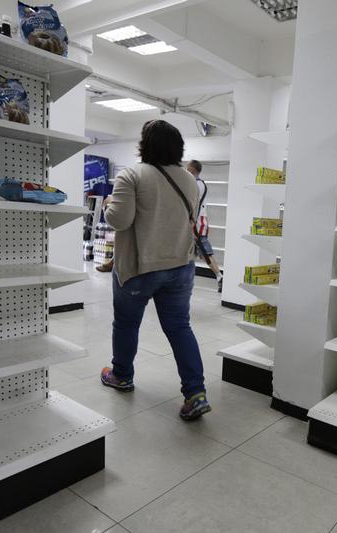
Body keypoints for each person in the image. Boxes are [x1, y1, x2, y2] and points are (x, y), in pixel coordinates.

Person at [100, 120, 211, 421]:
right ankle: (195, 392)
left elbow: (119, 221)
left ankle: (121, 375)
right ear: (178, 148)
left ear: (144, 144)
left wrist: (108, 203)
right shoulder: (190, 180)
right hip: (181, 267)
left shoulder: (131, 174)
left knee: (126, 324)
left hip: (140, 268)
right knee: (179, 327)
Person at [186, 159, 224, 293]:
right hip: (197, 222)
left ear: (192, 170)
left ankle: (219, 276)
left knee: (205, 252)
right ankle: (219, 276)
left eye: (187, 169)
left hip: (197, 223)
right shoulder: (198, 184)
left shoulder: (196, 184)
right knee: (199, 252)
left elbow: (192, 205)